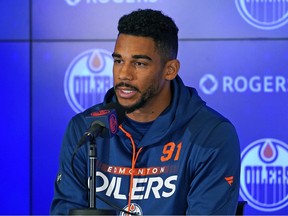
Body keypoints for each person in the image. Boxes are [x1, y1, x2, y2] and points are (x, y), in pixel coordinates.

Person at [50, 8, 240, 215]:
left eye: (139, 63)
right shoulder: (86, 128)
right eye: (118, 61)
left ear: (170, 70)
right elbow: (66, 209)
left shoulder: (211, 134)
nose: (124, 74)